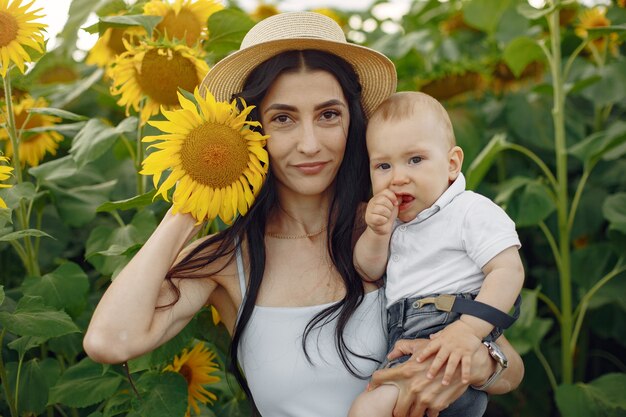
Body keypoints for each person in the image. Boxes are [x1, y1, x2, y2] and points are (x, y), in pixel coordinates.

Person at [84, 12, 524, 417]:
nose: (310, 144)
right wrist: (195, 198)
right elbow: (109, 340)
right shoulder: (227, 260)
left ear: (352, 122)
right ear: (252, 131)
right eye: (283, 119)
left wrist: (463, 367)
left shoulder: (395, 228)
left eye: (328, 115)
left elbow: (510, 369)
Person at [349, 91, 525, 417]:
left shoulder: (469, 211)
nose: (398, 177)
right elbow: (367, 270)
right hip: (407, 339)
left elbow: (508, 271)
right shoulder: (396, 224)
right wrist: (376, 233)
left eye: (415, 160)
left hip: (448, 327)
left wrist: (468, 331)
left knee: (367, 410)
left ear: (452, 163)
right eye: (383, 165)